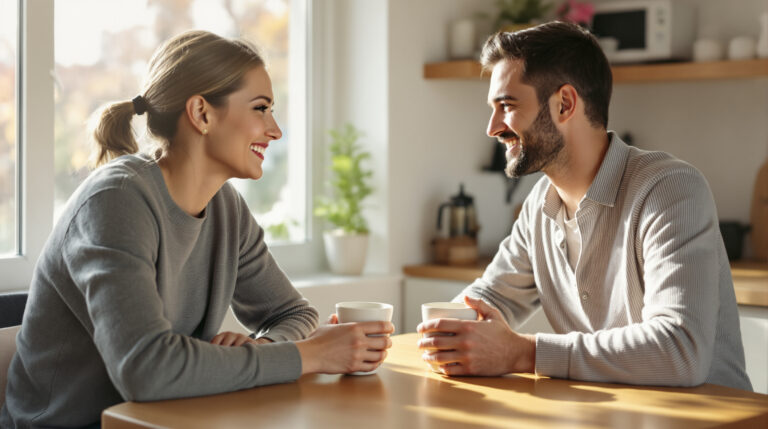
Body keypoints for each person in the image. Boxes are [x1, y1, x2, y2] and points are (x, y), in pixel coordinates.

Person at [1, 30, 393, 429]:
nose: (274, 130)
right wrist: (311, 356)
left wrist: (264, 347)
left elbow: (292, 313)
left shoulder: (226, 208)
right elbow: (145, 369)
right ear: (202, 113)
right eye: (260, 108)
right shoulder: (115, 202)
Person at [417, 21, 752, 391]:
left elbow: (679, 349)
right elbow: (492, 296)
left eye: (507, 105)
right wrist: (438, 330)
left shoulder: (669, 190)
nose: (493, 127)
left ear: (565, 104)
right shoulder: (539, 206)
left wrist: (521, 353)